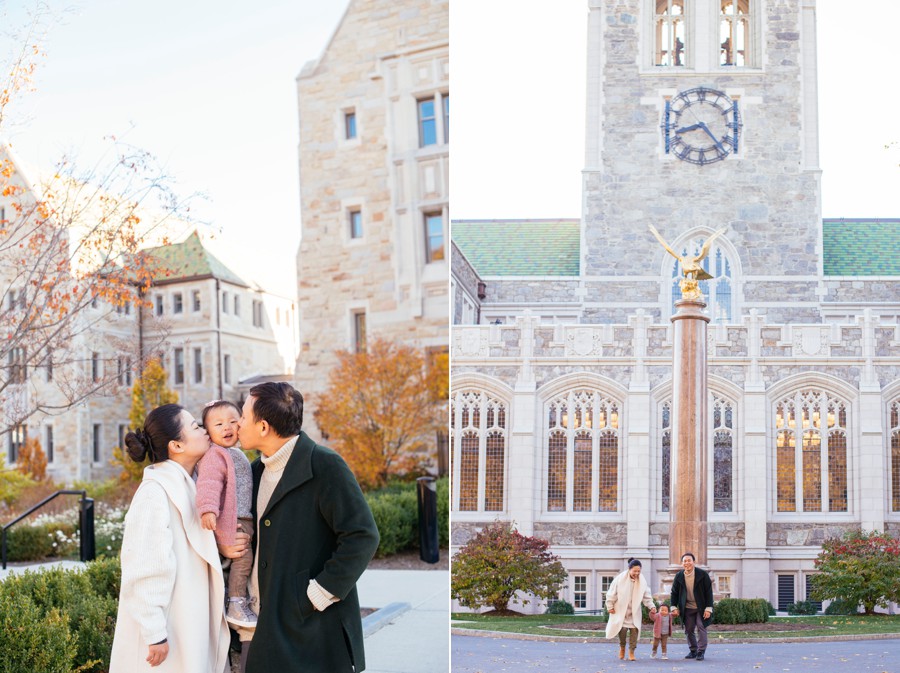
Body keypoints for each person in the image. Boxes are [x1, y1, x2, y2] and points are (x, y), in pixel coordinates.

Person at [222, 381, 380, 673]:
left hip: (313, 631)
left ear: (264, 427)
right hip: (260, 629)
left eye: (243, 416)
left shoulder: (325, 465)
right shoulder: (253, 473)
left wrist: (316, 595)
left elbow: (362, 536)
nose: (238, 424)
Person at [110, 404, 230, 672]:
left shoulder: (194, 484)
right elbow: (144, 567)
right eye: (196, 427)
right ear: (176, 445)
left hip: (189, 622)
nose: (205, 430)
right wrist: (155, 634)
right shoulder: (154, 493)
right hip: (166, 636)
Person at [196, 400, 257, 631]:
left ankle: (229, 601)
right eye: (219, 424)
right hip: (233, 519)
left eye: (233, 421)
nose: (227, 427)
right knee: (243, 560)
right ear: (208, 432)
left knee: (239, 563)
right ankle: (236, 604)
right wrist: (208, 509)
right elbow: (209, 483)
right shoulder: (215, 455)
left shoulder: (235, 452)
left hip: (243, 517)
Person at [605, 558, 656, 661]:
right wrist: (610, 606)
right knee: (622, 630)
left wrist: (652, 606)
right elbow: (612, 593)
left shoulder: (642, 581)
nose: (636, 573)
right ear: (629, 569)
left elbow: (646, 595)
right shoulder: (620, 578)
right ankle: (622, 648)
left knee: (634, 631)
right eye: (634, 571)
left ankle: (631, 652)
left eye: (639, 571)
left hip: (634, 611)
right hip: (621, 610)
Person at [670, 551, 714, 661]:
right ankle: (693, 650)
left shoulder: (702, 575)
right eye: (685, 561)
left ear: (693, 562)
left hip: (701, 607)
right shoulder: (679, 576)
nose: (687, 563)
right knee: (689, 629)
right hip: (687, 607)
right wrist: (673, 607)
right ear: (682, 563)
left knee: (701, 626)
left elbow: (709, 592)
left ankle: (701, 651)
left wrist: (708, 608)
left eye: (689, 560)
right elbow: (674, 593)